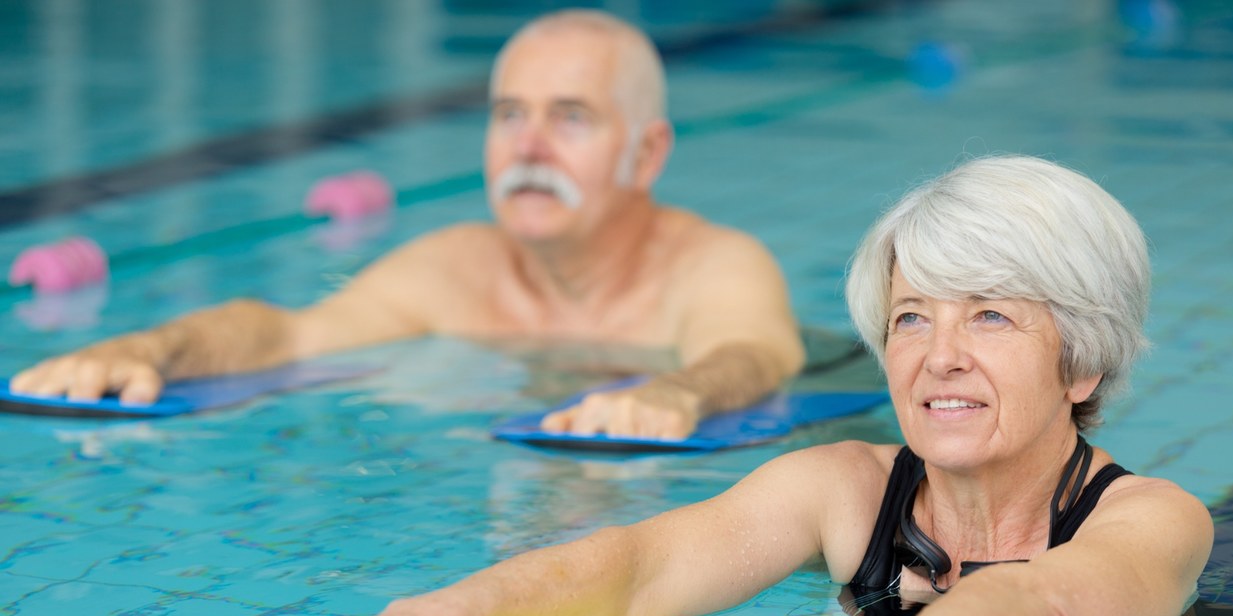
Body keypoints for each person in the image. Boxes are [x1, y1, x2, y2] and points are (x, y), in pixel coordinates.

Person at [299, 155, 1214, 616]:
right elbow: (638, 570)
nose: (939, 356)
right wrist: (436, 615)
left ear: (1083, 363)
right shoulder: (845, 492)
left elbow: (1046, 612)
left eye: (990, 315)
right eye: (909, 318)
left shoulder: (1152, 521)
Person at [8, 10, 805, 441]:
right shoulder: (454, 269)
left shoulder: (716, 266)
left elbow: (755, 353)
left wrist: (677, 390)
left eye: (570, 118)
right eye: (508, 116)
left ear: (646, 153)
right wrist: (149, 349)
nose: (528, 147)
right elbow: (288, 336)